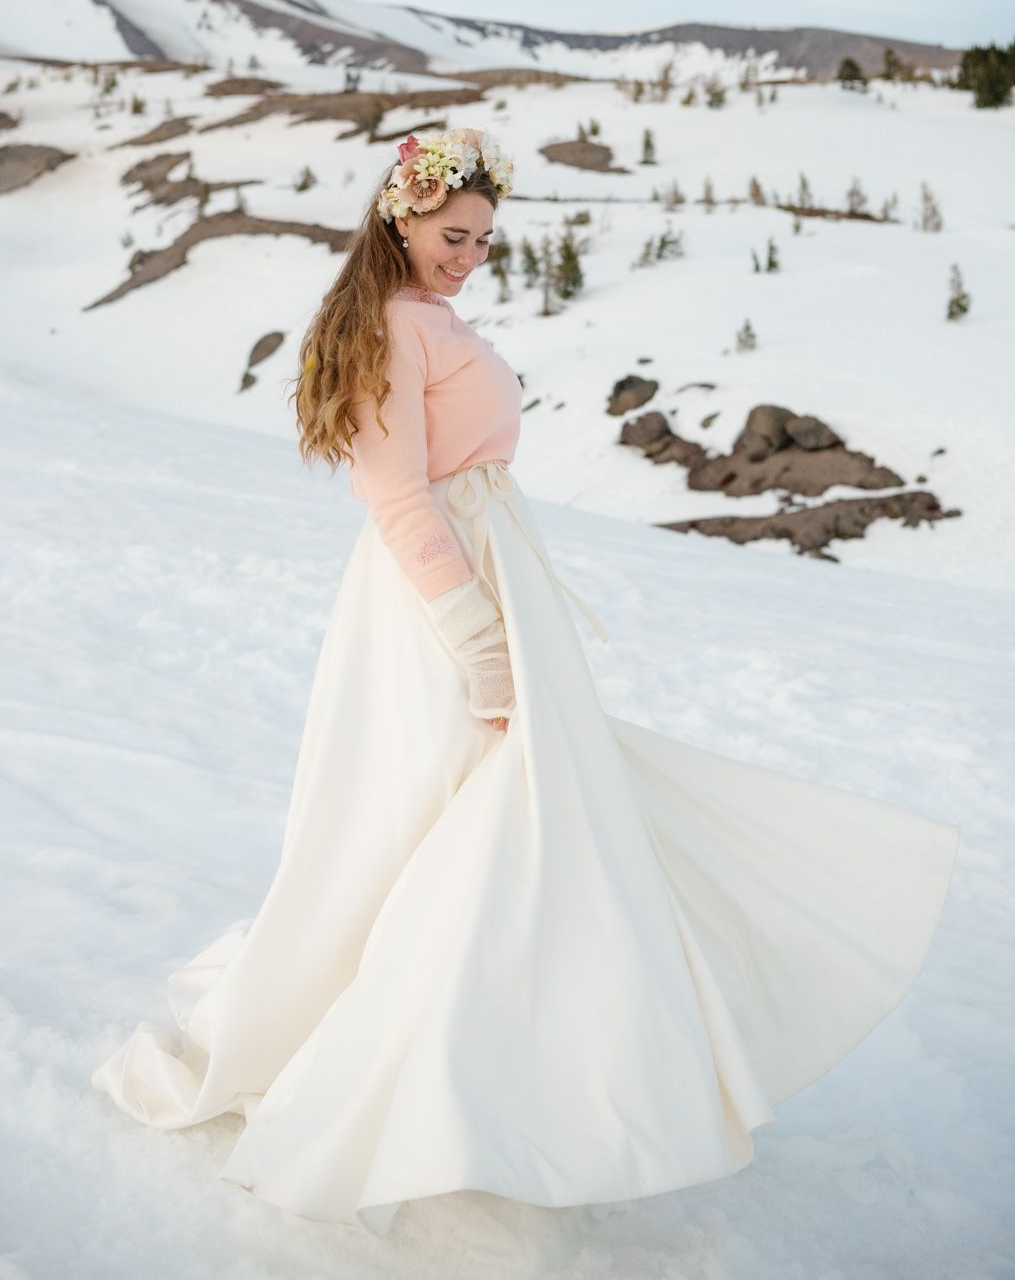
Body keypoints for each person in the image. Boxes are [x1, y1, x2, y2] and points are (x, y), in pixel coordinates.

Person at [90, 125, 961, 1237]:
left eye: (484, 240)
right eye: (453, 235)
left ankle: (499, 1075)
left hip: (486, 582)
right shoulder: (388, 326)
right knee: (462, 825)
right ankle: (405, 1083)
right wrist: (474, 635)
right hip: (435, 604)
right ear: (400, 216)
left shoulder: (431, 318)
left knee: (503, 824)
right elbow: (396, 494)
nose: (468, 254)